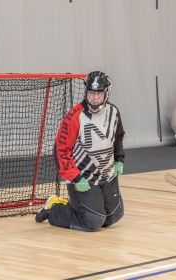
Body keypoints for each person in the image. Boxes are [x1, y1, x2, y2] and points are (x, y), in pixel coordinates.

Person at [35, 71, 125, 231]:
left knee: (113, 216)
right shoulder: (74, 117)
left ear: (107, 93)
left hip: (107, 174)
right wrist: (75, 178)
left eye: (98, 93)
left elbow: (117, 138)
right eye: (91, 93)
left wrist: (119, 160)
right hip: (83, 177)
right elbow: (61, 151)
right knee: (93, 221)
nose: (94, 97)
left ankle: (80, 206)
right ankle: (55, 208)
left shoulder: (114, 112)